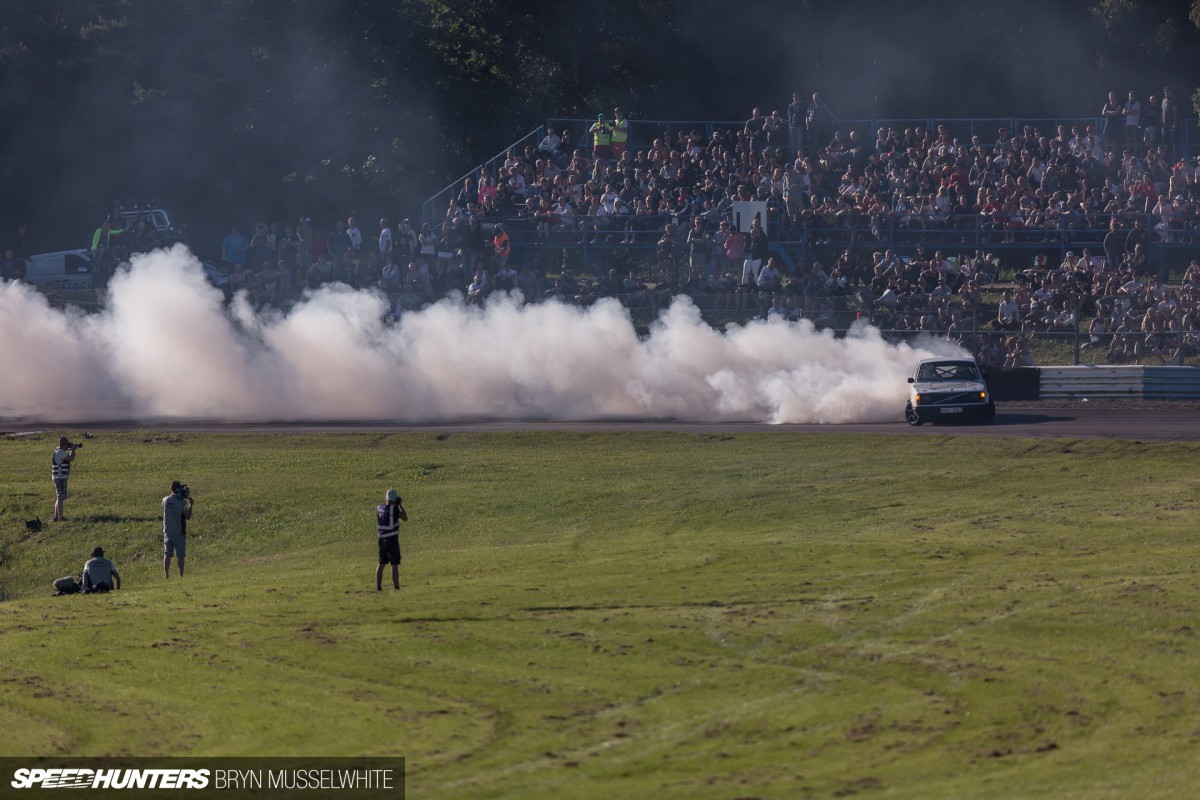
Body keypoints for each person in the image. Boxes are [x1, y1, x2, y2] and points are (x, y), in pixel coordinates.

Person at [376, 489, 408, 591]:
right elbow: (405, 518)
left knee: (381, 563)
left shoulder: (379, 508)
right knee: (394, 564)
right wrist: (400, 505)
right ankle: (396, 587)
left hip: (381, 539)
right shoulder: (394, 509)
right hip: (392, 539)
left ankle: (378, 587)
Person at [162, 480, 193, 578]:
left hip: (167, 531)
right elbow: (187, 516)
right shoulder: (182, 503)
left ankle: (166, 575)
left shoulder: (165, 500)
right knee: (180, 555)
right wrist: (191, 505)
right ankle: (181, 575)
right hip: (179, 531)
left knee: (167, 554)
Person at [51, 436, 79, 522]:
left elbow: (71, 458)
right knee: (60, 497)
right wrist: (73, 450)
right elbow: (70, 458)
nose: (68, 446)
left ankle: (56, 516)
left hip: (59, 477)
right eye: (67, 444)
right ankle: (60, 517)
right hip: (60, 477)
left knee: (59, 496)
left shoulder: (59, 451)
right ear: (64, 444)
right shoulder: (60, 452)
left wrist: (72, 450)